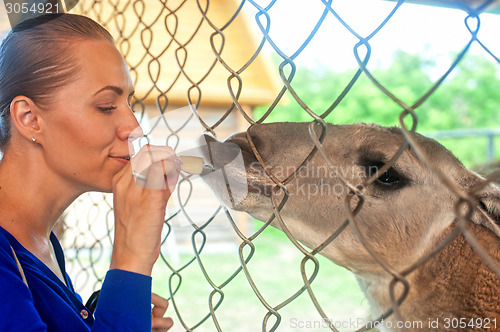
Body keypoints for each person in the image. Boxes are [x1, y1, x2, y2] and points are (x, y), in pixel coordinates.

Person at [0, 13, 180, 331]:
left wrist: (119, 314)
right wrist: (131, 256)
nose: (134, 127)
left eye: (129, 103)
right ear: (29, 118)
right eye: (106, 106)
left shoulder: (41, 243)